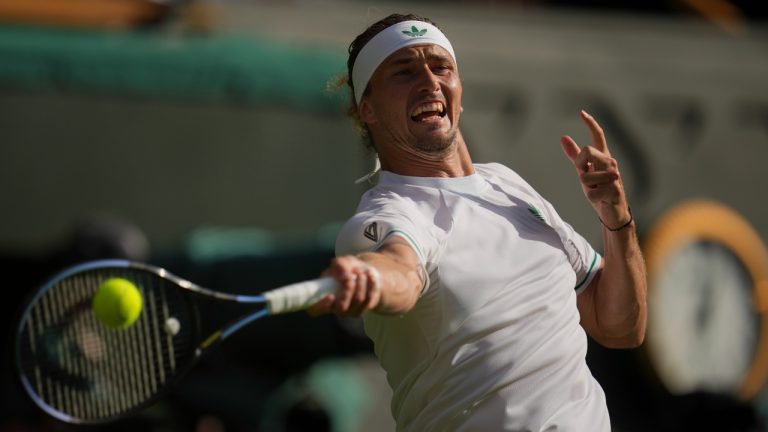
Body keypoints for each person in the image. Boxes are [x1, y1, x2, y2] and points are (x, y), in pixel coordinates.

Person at [309, 13, 647, 431]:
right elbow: (400, 269)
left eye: (441, 66)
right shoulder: (387, 214)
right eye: (404, 71)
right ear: (368, 109)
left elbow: (620, 327)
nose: (430, 82)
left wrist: (617, 220)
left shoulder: (508, 185)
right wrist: (371, 278)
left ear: (459, 91)